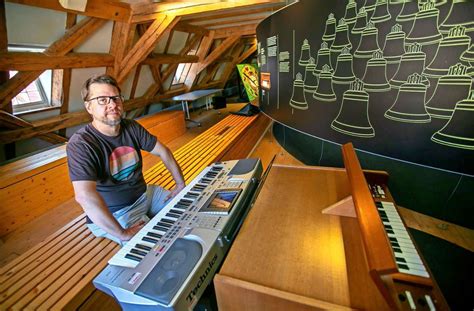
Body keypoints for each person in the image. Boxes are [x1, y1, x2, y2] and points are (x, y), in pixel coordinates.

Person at [66, 74, 185, 245]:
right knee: (158, 245)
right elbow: (85, 196)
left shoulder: (131, 126)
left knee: (189, 209)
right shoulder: (81, 144)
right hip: (117, 213)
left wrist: (180, 184)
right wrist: (123, 233)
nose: (113, 104)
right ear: (89, 107)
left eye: (115, 98)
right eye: (102, 100)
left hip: (146, 195)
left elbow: (163, 152)